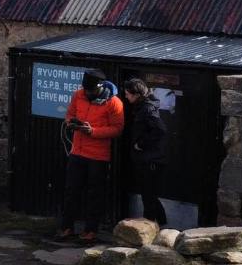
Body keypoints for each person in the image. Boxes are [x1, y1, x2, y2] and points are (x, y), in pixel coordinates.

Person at [57, 68, 124, 243]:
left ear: (100, 87)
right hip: (77, 151)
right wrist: (70, 123)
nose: (87, 93)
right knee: (71, 191)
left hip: (98, 155)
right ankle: (66, 227)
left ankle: (90, 230)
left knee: (95, 194)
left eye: (90, 91)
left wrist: (92, 131)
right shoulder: (78, 95)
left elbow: (117, 129)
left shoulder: (114, 103)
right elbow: (70, 114)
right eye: (85, 90)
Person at [123, 78, 168, 226]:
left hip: (150, 159)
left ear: (136, 95)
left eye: (128, 94)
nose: (126, 97)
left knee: (148, 195)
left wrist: (141, 144)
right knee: (148, 194)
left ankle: (149, 225)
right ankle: (159, 223)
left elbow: (160, 130)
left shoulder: (147, 109)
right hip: (145, 158)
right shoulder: (142, 107)